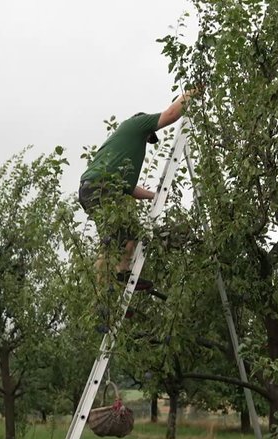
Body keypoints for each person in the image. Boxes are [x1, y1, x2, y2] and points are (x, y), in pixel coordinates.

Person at [79, 88, 198, 291]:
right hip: (102, 187)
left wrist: (155, 196)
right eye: (149, 135)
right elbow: (170, 115)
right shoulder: (135, 124)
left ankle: (112, 288)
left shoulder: (120, 152)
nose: (147, 139)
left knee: (121, 236)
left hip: (94, 189)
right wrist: (193, 92)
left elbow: (130, 188)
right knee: (121, 234)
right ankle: (110, 286)